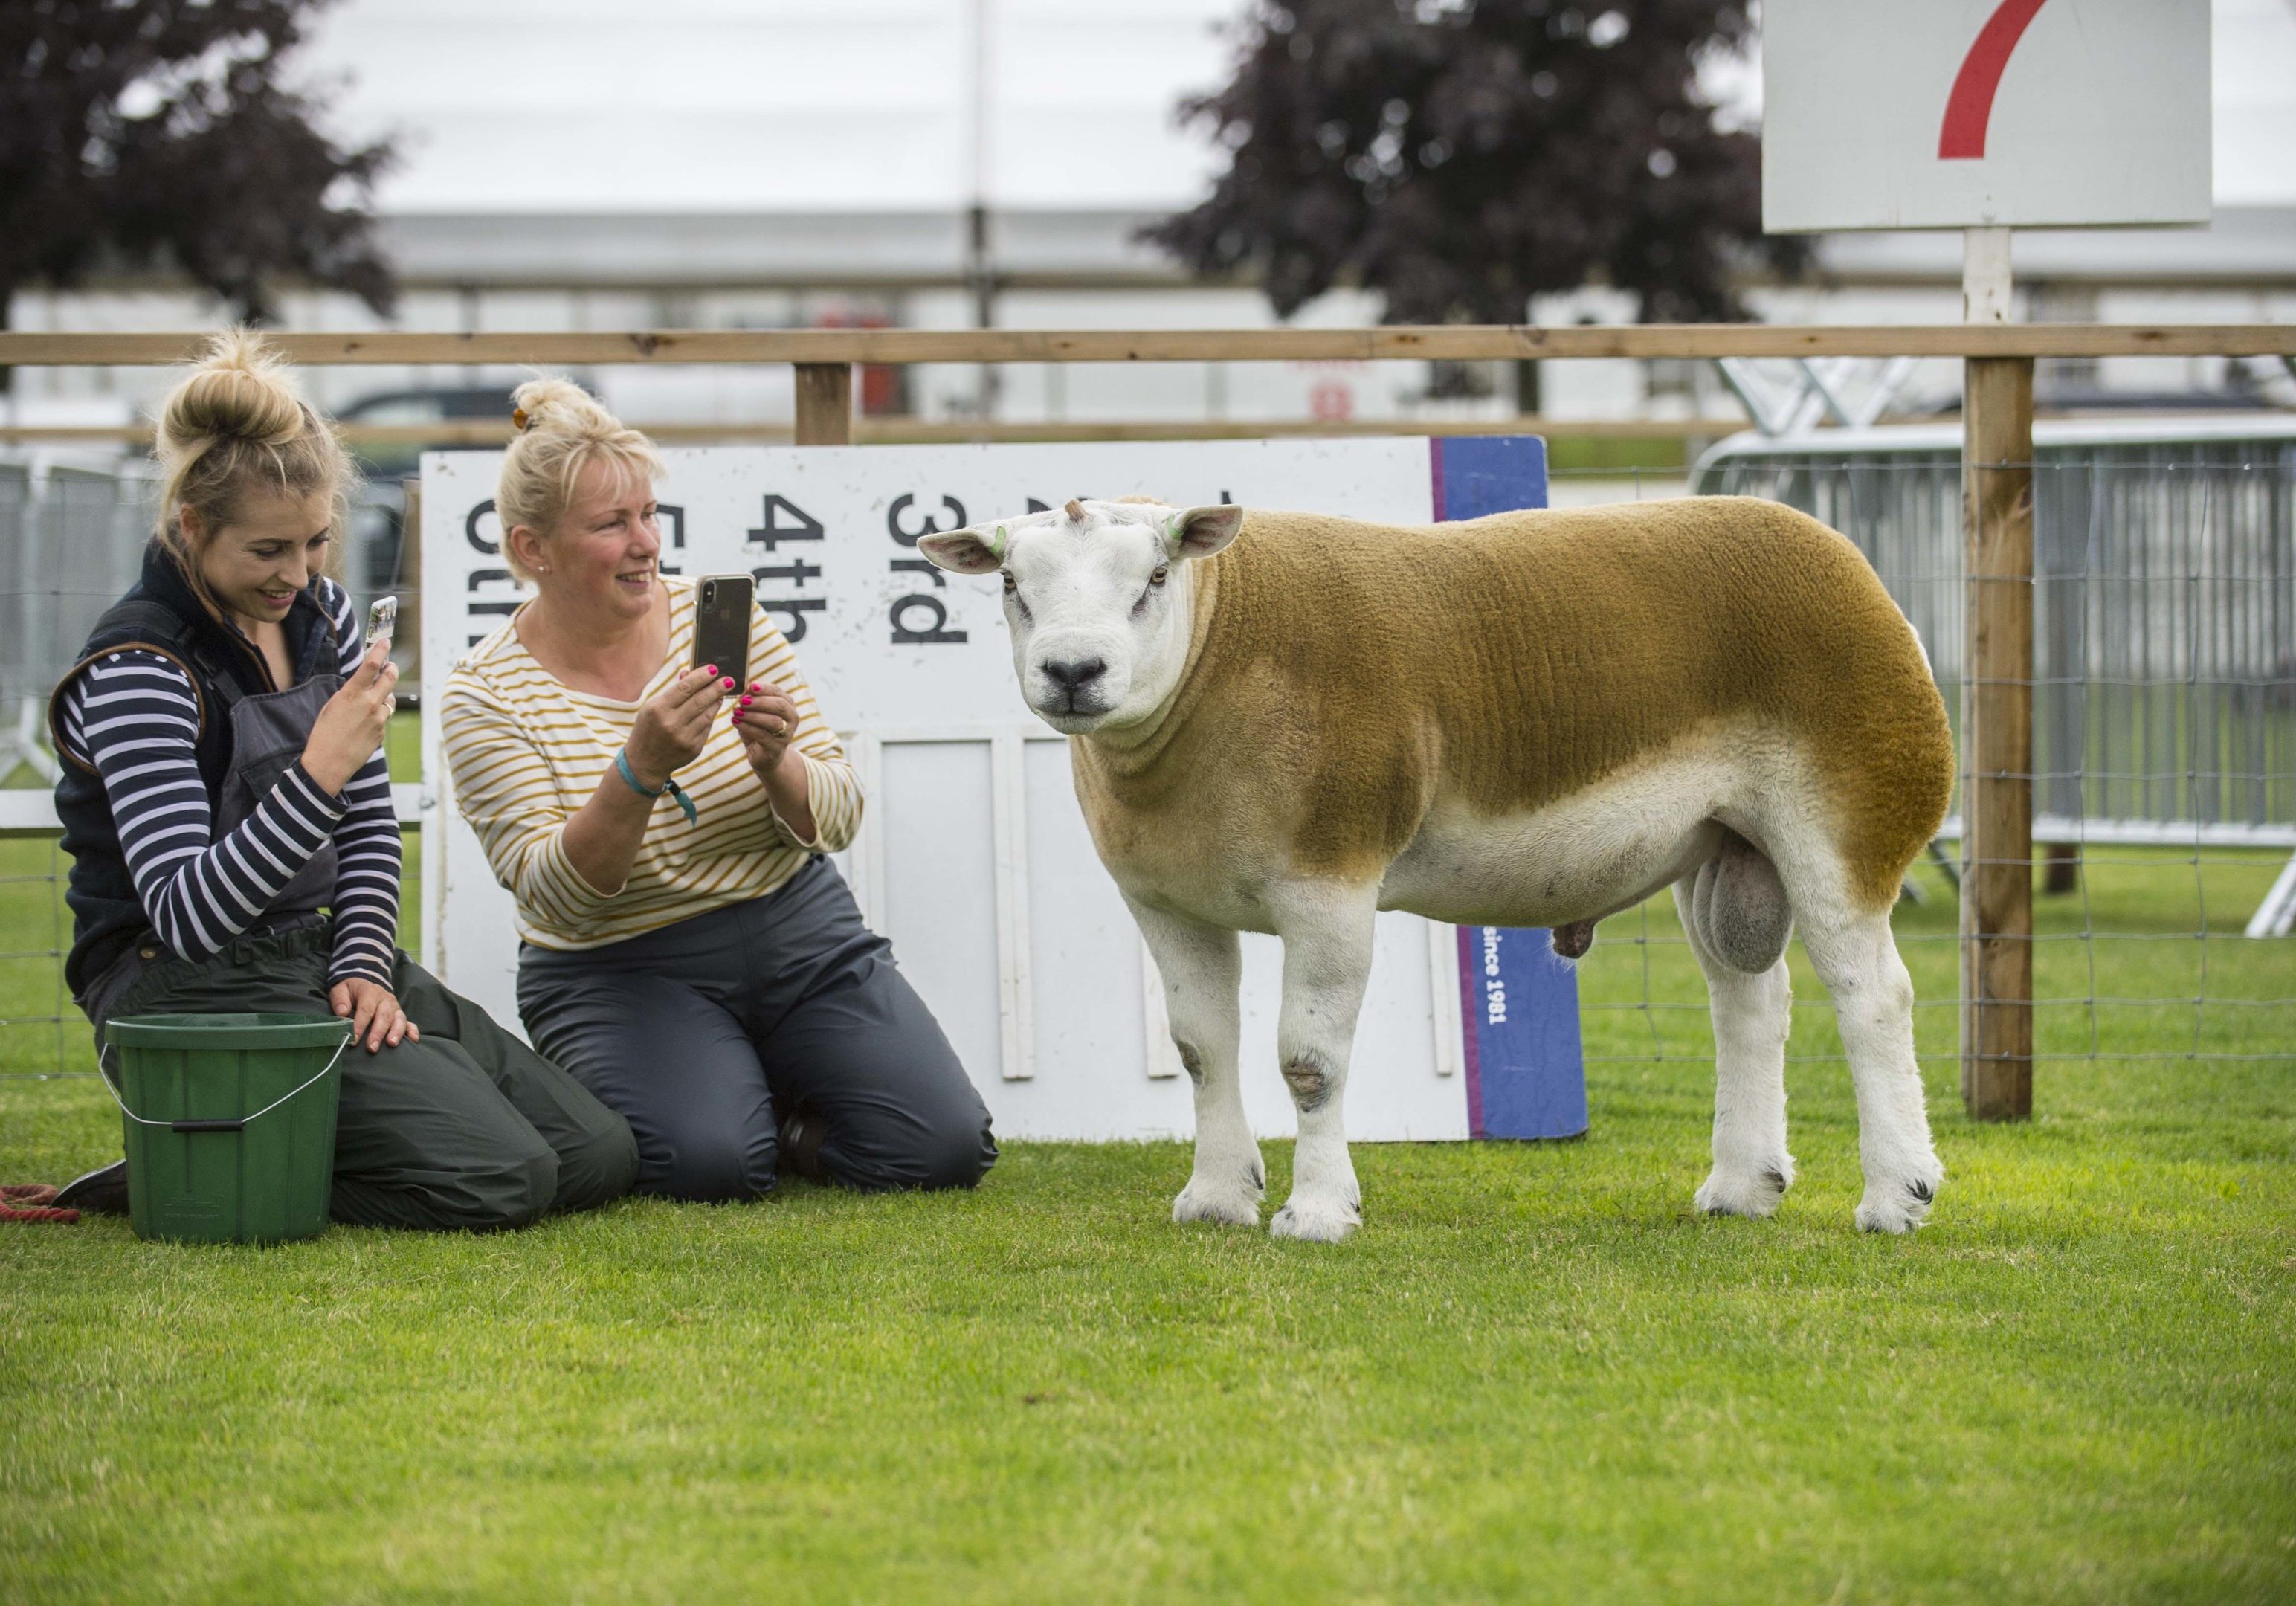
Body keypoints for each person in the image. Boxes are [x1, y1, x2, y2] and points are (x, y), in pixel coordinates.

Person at [48, 332, 638, 1231]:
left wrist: (363, 966)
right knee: (505, 1179)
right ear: (192, 528)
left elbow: (366, 830)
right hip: (178, 989)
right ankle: (190, 1162)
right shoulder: (137, 663)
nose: (298, 573)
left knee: (596, 1154)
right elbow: (186, 912)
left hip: (310, 955)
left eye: (317, 541)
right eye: (268, 551)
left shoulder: (321, 609)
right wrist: (319, 768)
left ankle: (242, 1141)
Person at [439, 379, 995, 1202]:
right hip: (618, 967)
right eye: (610, 524)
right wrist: (638, 772)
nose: (645, 545)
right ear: (532, 549)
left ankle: (775, 1117)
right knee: (712, 1166)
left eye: (648, 515)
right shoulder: (484, 696)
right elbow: (556, 899)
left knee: (945, 1149)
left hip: (795, 927)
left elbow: (840, 814)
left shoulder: (722, 620)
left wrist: (780, 766)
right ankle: (734, 1108)